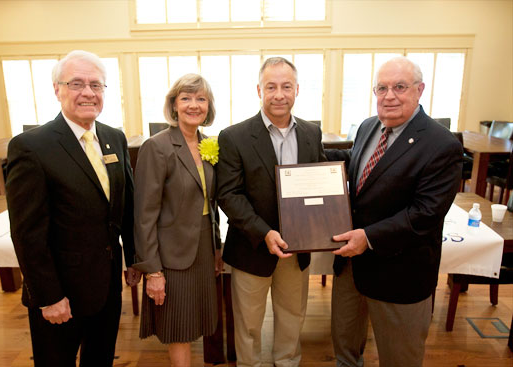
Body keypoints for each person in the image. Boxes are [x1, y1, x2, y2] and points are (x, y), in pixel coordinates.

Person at [5, 50, 140, 366]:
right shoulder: (31, 146)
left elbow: (127, 205)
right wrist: (49, 296)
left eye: (96, 84)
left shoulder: (114, 138)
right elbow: (27, 234)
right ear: (57, 89)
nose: (88, 93)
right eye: (77, 83)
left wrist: (134, 258)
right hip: (60, 291)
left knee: (101, 358)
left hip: (106, 286)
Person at [328, 56, 463, 367]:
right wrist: (306, 153)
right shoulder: (369, 125)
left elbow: (425, 214)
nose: (389, 96)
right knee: (345, 354)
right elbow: (359, 162)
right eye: (382, 88)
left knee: (399, 358)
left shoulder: (441, 144)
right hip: (350, 267)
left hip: (399, 274)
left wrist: (368, 237)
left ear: (419, 90)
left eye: (399, 87)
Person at [216, 57, 326, 367]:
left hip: (296, 248)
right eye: (271, 87)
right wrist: (264, 232)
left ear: (297, 90)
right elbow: (229, 194)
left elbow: (317, 185)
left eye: (286, 86)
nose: (279, 94)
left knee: (292, 317)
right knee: (248, 324)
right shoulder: (234, 136)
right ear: (259, 90)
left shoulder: (310, 133)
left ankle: (287, 362)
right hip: (252, 246)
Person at [133, 73, 223, 367]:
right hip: (171, 255)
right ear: (174, 105)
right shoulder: (157, 147)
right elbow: (144, 215)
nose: (193, 105)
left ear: (208, 106)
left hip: (203, 249)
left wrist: (217, 248)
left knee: (197, 321)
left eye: (201, 98)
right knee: (178, 329)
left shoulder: (209, 145)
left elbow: (212, 202)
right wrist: (153, 271)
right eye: (186, 98)